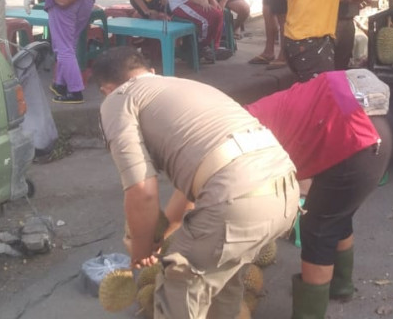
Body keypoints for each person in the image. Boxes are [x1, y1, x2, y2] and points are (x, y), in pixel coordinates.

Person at [94, 46, 298, 319]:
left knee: (177, 291)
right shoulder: (179, 86)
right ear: (151, 72)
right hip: (284, 189)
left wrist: (141, 249)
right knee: (222, 290)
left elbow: (142, 191)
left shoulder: (117, 100)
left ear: (106, 90)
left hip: (236, 197)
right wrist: (163, 234)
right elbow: (195, 183)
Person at [245, 69, 392, 319]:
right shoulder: (260, 113)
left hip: (357, 140)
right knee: (337, 213)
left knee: (317, 226)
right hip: (381, 126)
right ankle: (340, 285)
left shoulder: (246, 132)